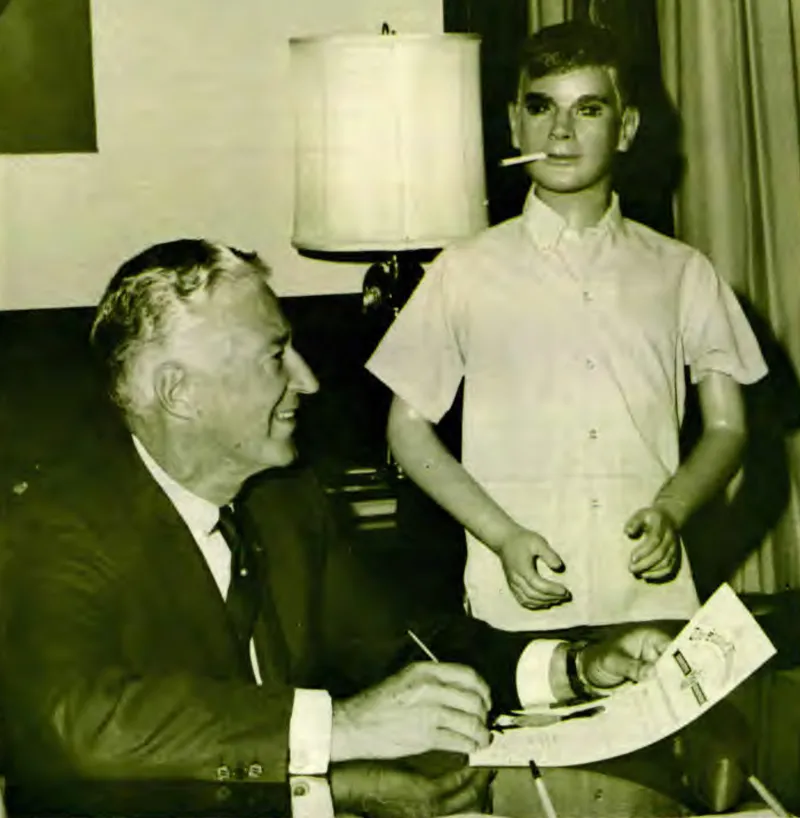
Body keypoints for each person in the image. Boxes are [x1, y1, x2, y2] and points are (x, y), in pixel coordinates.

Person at [0, 238, 676, 818]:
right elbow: (78, 722)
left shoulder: (286, 501)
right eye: (275, 355)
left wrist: (575, 665)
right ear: (180, 393)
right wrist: (343, 727)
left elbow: (404, 641)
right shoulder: (52, 523)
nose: (309, 380)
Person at [366, 20, 768, 632]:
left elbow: (726, 426)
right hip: (518, 608)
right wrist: (500, 536)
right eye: (540, 107)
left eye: (588, 108)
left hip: (651, 602)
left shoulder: (684, 272)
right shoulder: (464, 271)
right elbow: (408, 431)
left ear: (626, 128)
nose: (560, 131)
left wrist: (673, 511)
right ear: (512, 123)